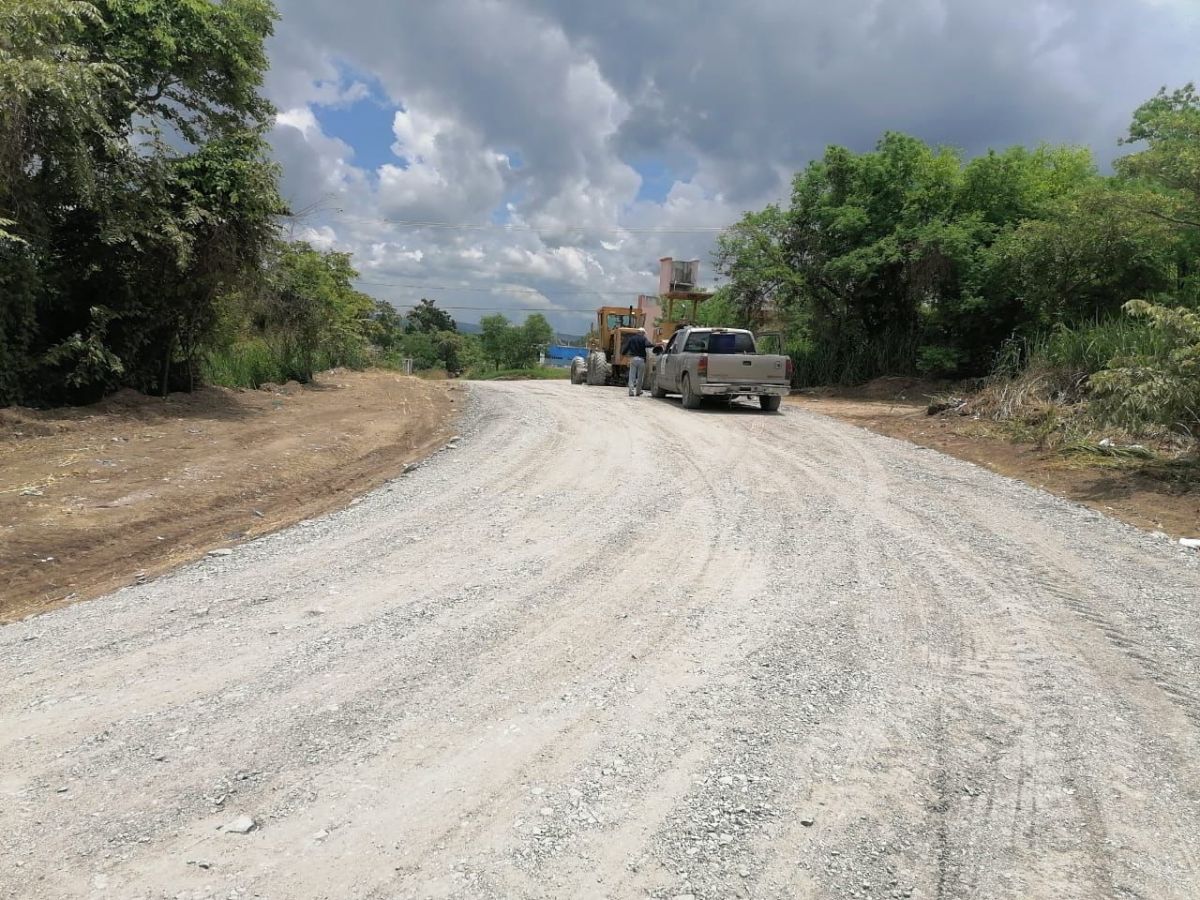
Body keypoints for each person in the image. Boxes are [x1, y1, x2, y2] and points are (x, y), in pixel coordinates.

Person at [622, 327, 652, 396]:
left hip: (633, 359)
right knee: (640, 376)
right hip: (641, 360)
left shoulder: (632, 339)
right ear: (643, 333)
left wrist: (623, 354)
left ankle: (631, 391)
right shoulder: (644, 339)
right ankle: (638, 391)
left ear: (637, 332)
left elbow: (626, 348)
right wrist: (654, 345)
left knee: (632, 375)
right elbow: (648, 345)